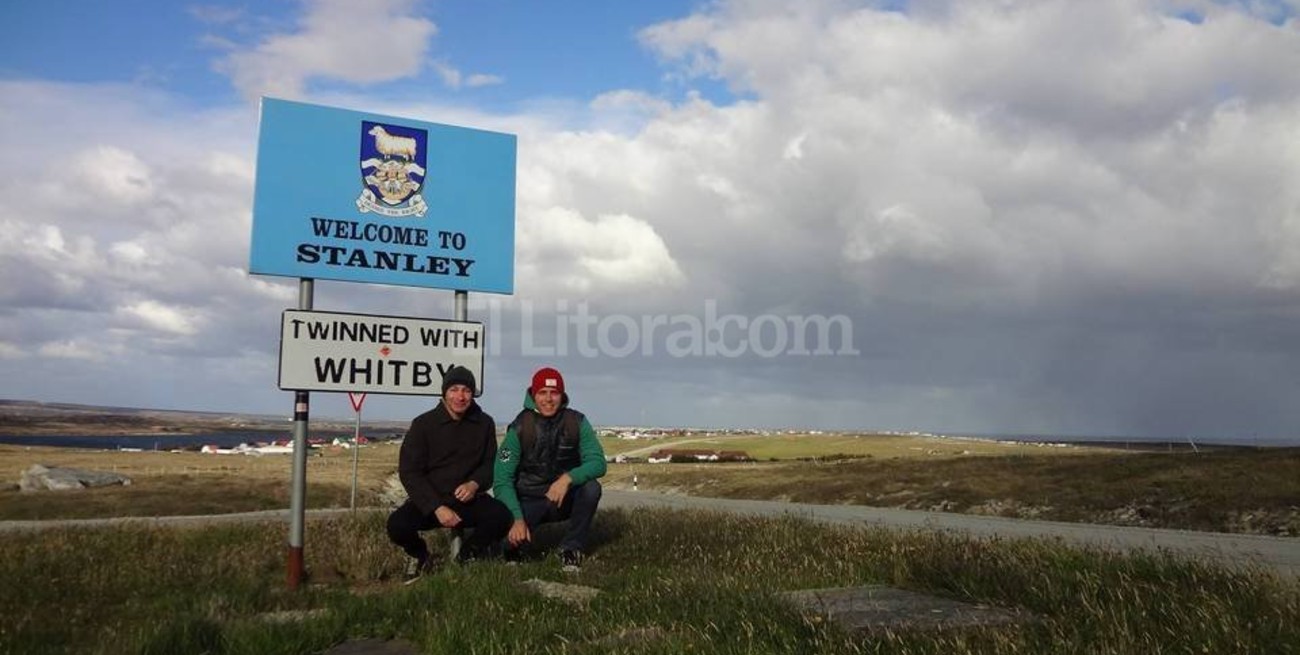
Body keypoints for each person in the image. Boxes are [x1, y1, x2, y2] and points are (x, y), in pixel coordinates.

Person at [387, 366, 511, 583]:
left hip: (469, 500)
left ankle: (467, 558)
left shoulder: (484, 423)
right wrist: (436, 506)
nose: (460, 397)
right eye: (454, 389)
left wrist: (474, 484)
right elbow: (410, 472)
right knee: (397, 525)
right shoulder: (423, 424)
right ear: (444, 392)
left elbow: (491, 463)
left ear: (472, 394)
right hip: (431, 501)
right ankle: (420, 556)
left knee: (501, 516)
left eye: (466, 390)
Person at [494, 366, 607, 572]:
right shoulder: (519, 427)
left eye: (554, 393)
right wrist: (517, 518)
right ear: (533, 395)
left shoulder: (577, 421)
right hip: (528, 499)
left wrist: (567, 479)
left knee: (591, 488)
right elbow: (502, 480)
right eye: (542, 393)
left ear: (562, 395)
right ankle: (512, 549)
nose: (548, 399)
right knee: (507, 543)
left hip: (561, 498)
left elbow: (598, 462)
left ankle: (571, 549)